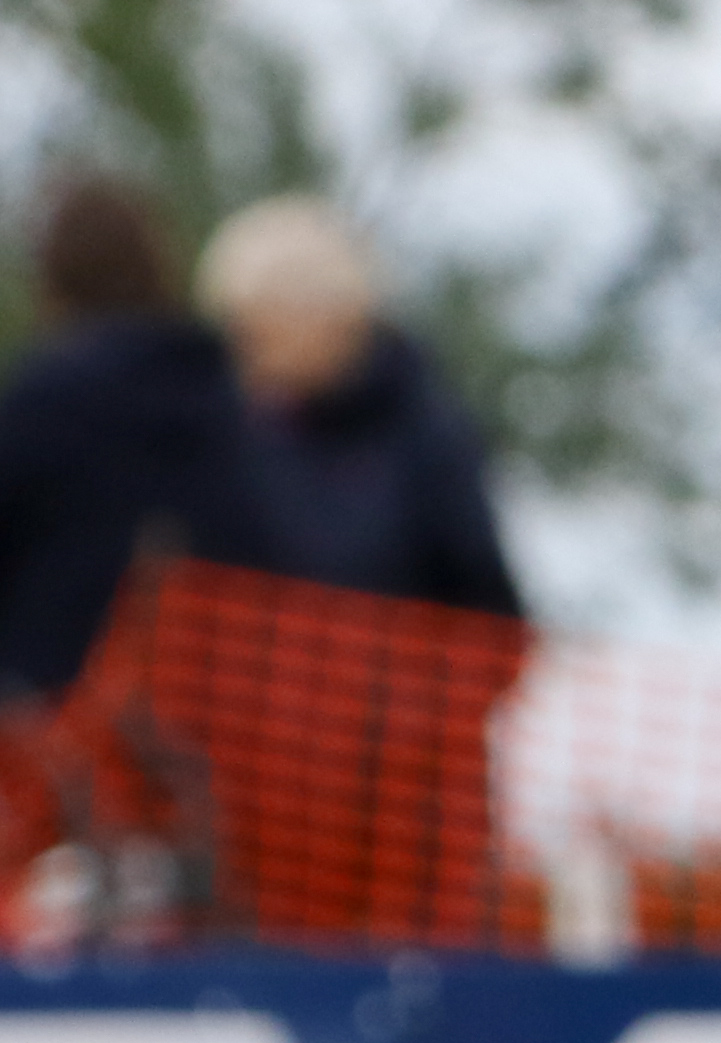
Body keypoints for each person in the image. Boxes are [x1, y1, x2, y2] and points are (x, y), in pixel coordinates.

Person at [0, 174, 278, 697]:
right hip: (208, 730)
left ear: (53, 278)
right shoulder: (229, 402)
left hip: (46, 729)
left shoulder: (41, 401)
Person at [201, 196, 521, 622]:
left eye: (256, 328)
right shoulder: (236, 435)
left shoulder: (425, 435)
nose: (245, 353)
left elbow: (486, 609)